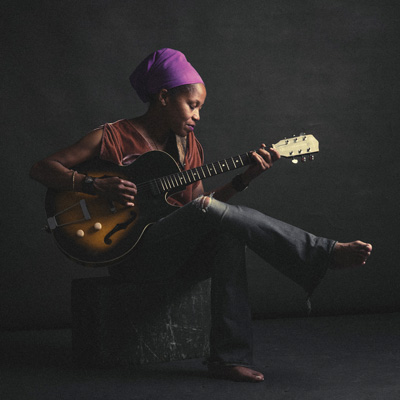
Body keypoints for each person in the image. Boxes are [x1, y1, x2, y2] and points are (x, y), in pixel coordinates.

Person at [30, 48, 372, 383]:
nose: (197, 116)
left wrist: (243, 179)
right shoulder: (113, 136)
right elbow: (43, 169)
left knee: (225, 233)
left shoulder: (189, 147)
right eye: (192, 105)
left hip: (174, 256)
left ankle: (229, 358)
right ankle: (319, 253)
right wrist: (94, 185)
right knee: (211, 217)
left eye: (200, 108)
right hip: (130, 254)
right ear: (164, 96)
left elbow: (205, 208)